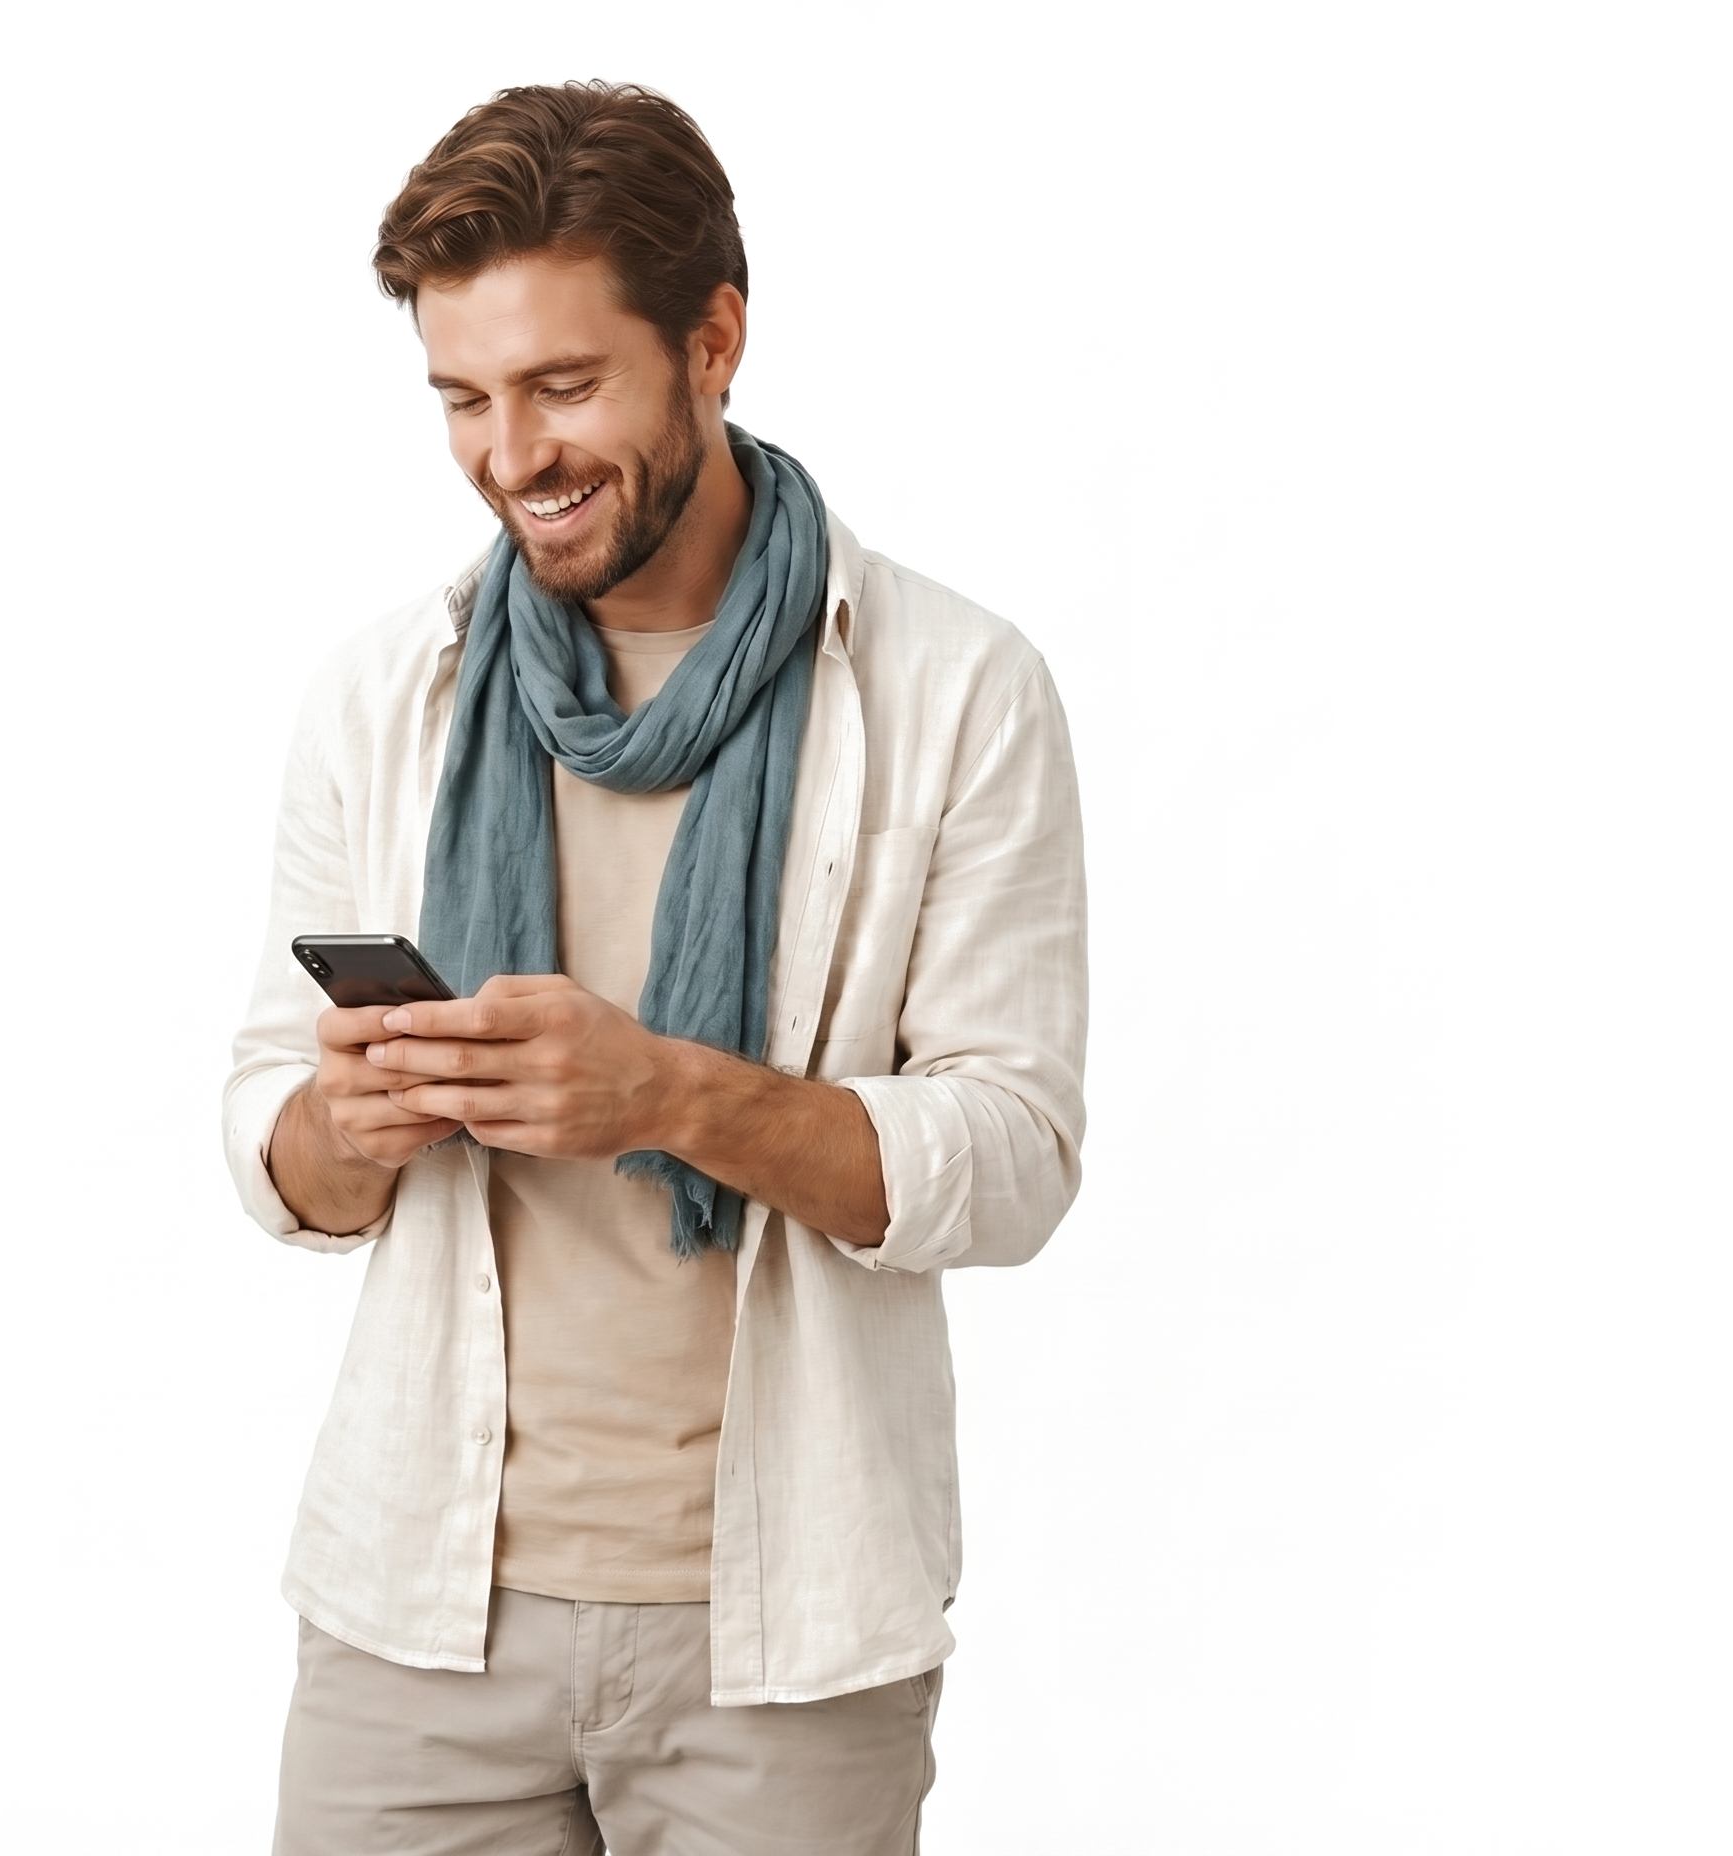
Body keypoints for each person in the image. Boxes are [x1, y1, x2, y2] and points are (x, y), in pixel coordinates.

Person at [224, 80, 1088, 1855]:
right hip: (419, 1616)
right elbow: (268, 1135)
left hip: (782, 1635)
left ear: (715, 341)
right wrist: (347, 1123)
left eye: (564, 385)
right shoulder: (391, 696)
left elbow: (1013, 1157)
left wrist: (669, 1095)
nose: (512, 454)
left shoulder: (951, 689)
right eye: (464, 398)